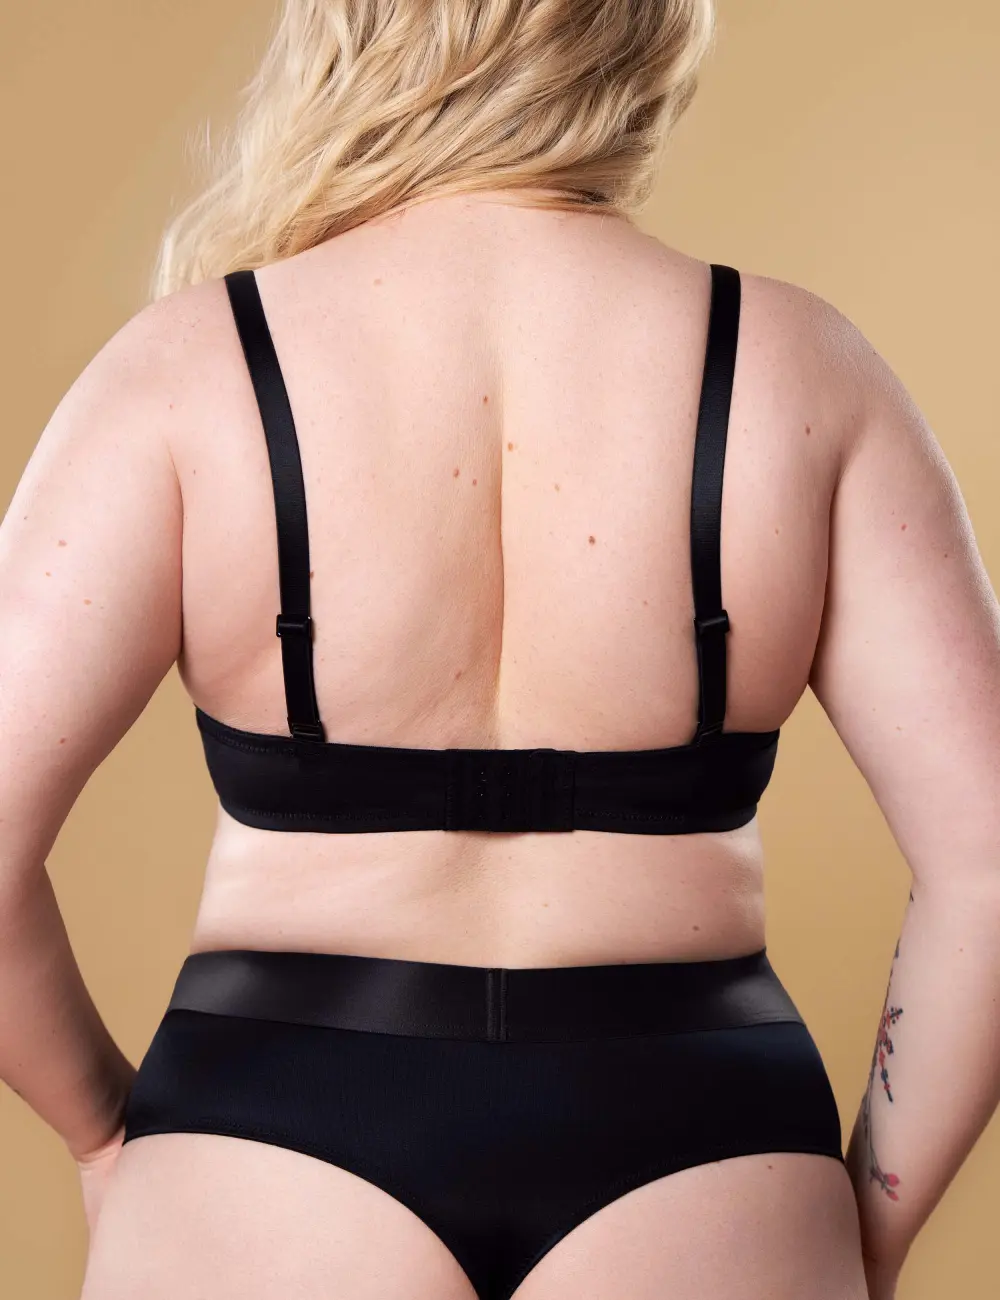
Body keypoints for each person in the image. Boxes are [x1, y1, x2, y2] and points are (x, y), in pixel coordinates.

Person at [2, 2, 999, 1298]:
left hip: (266, 1142)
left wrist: (100, 1136)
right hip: (704, 1142)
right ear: (645, 38)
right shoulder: (807, 371)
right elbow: (990, 863)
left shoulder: (187, 371)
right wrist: (862, 1227)